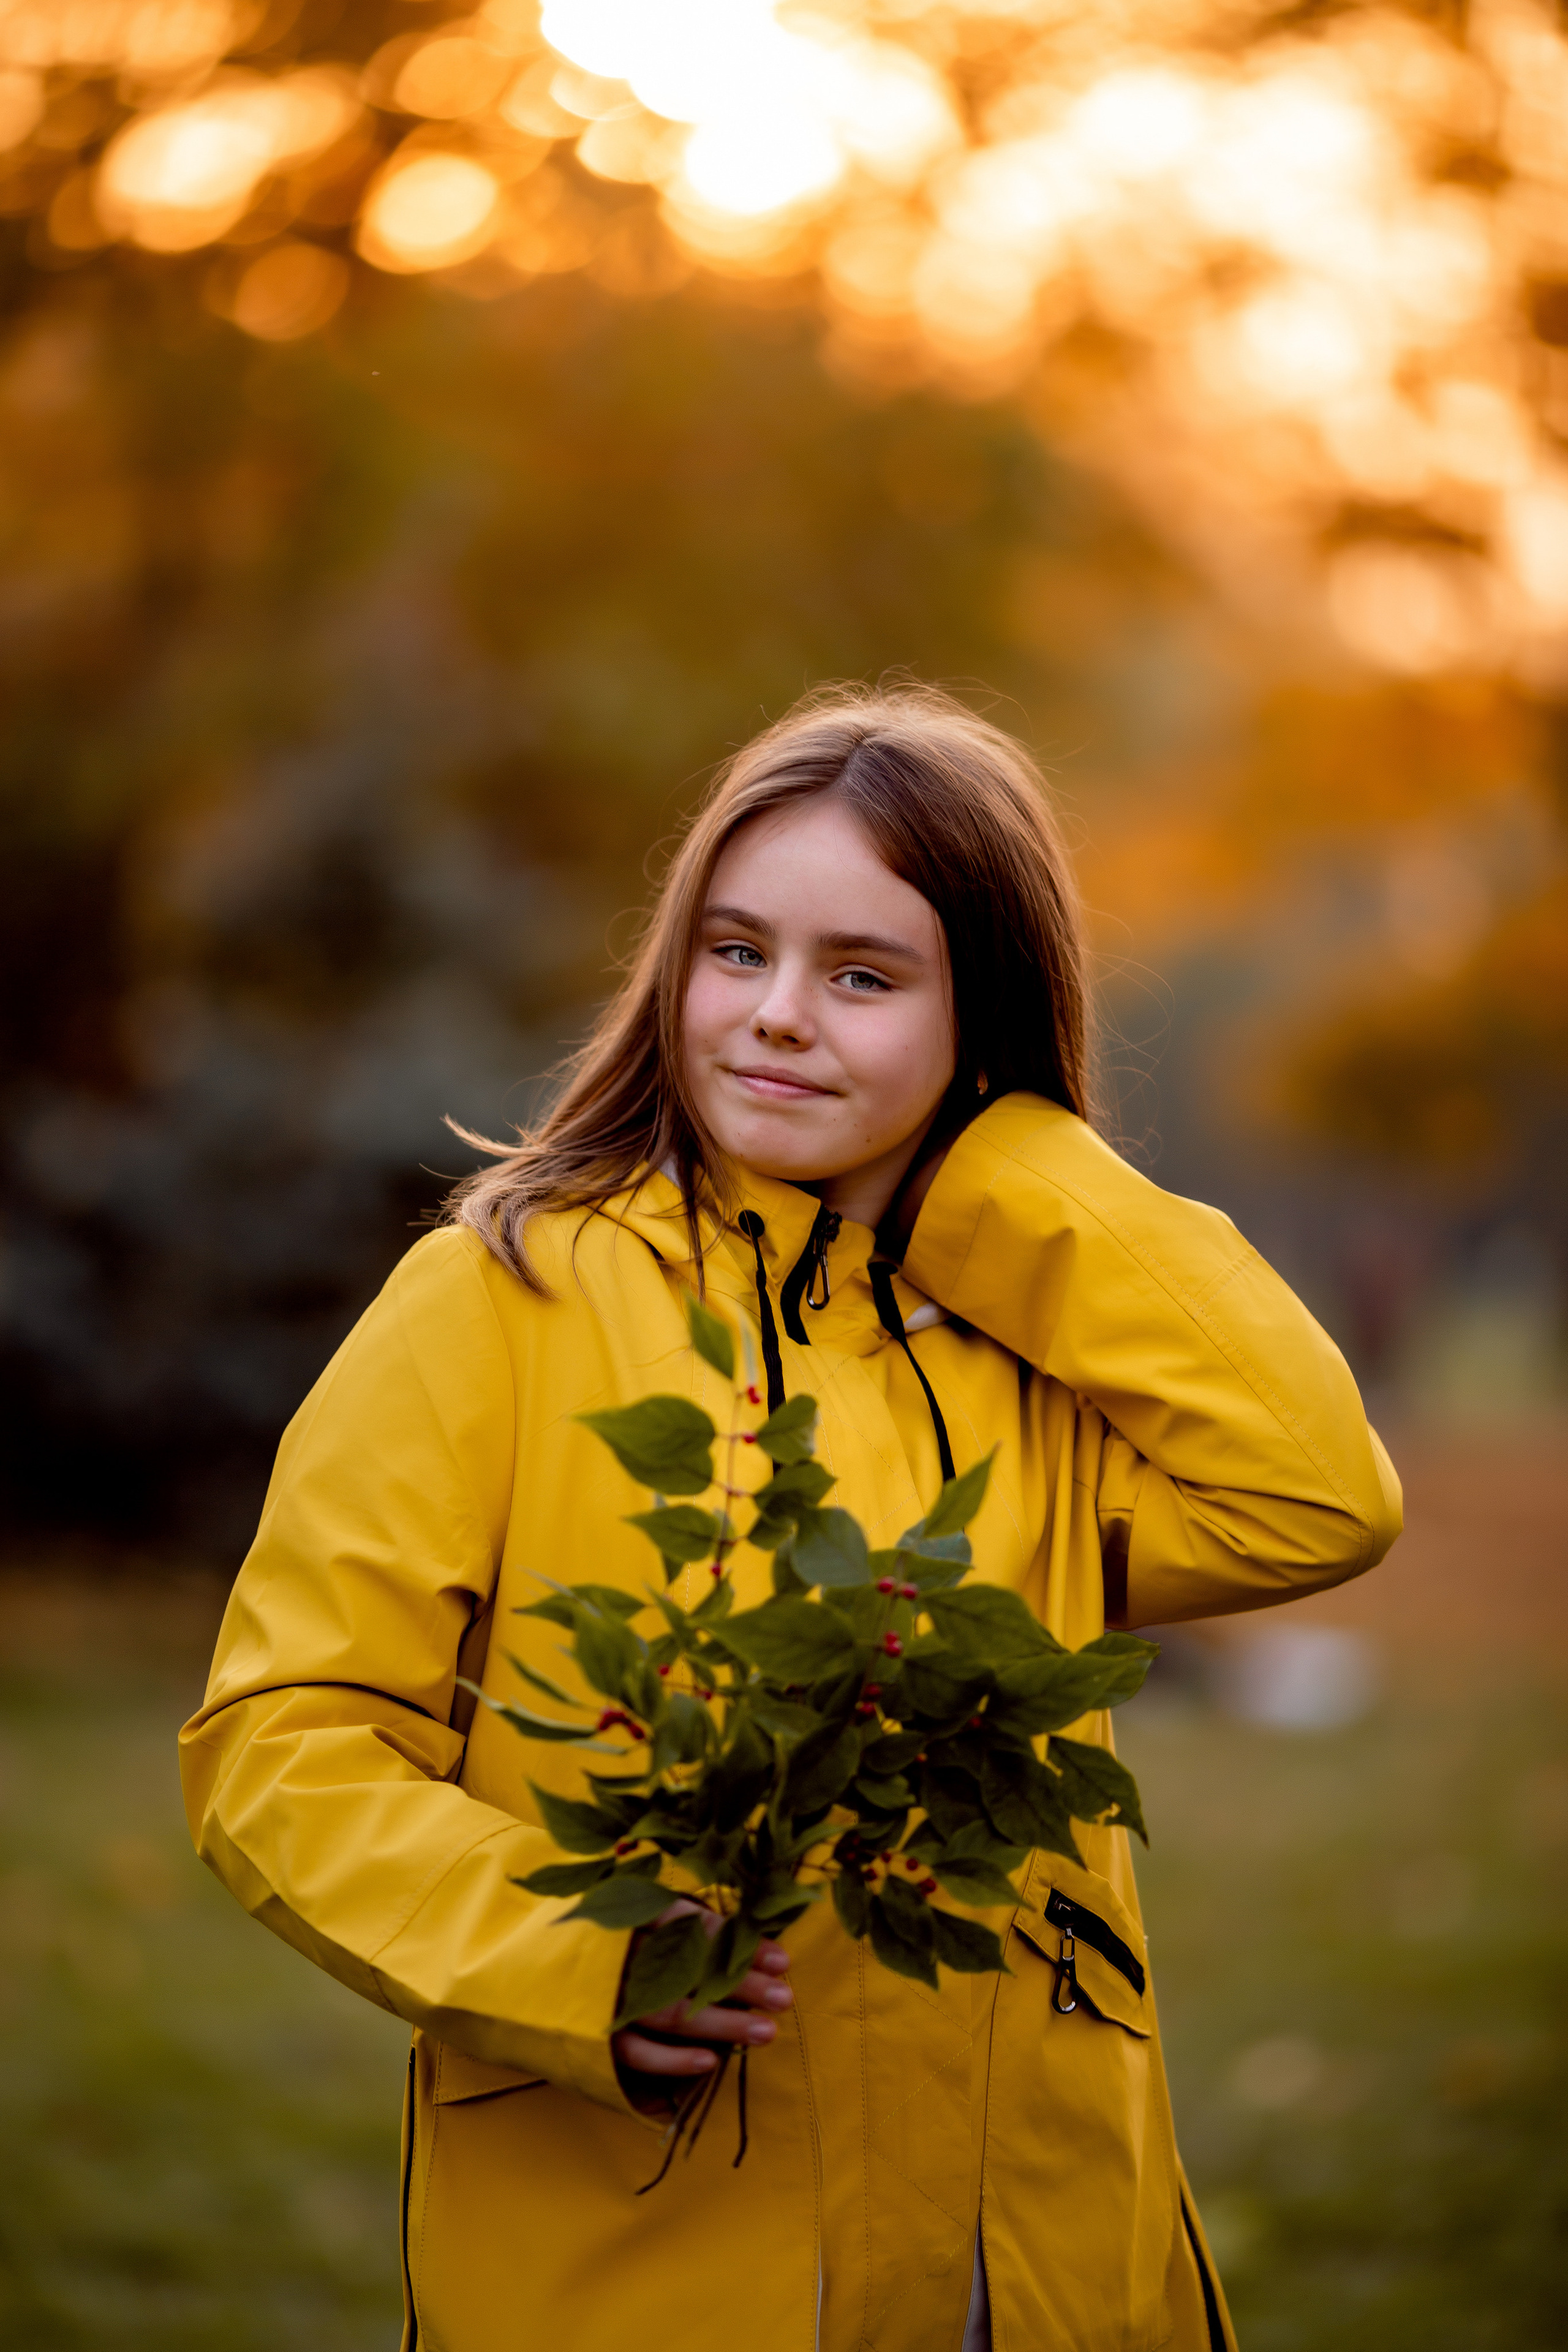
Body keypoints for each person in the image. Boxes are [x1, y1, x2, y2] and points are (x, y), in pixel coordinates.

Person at [180, 682, 1401, 2352]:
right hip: (652, 2256)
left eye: (864, 976)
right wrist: (577, 1954)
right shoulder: (504, 1295)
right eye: (737, 951)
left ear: (982, 1017)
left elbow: (1313, 1494)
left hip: (1025, 2266)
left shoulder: (1032, 1350)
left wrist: (999, 1177)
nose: (775, 1018)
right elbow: (280, 1741)